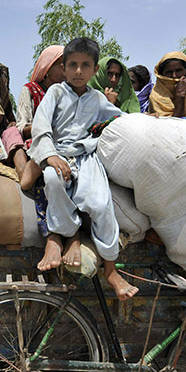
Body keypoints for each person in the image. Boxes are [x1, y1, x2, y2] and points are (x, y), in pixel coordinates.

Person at [28, 37, 137, 301]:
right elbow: (40, 127)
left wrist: (146, 119)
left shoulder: (97, 98)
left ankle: (110, 269)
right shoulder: (55, 93)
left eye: (85, 65)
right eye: (73, 65)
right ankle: (65, 236)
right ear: (63, 67)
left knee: (101, 204)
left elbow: (119, 117)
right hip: (57, 153)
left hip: (87, 157)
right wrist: (50, 157)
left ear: (94, 70)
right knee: (53, 181)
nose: (78, 71)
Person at [16, 45, 64, 141]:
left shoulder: (69, 94)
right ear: (47, 67)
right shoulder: (30, 89)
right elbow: (21, 128)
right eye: (62, 66)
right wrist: (46, 126)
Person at [148, 52, 186, 117]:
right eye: (169, 72)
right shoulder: (156, 96)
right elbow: (174, 124)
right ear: (161, 74)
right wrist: (180, 95)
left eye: (178, 70)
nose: (174, 76)